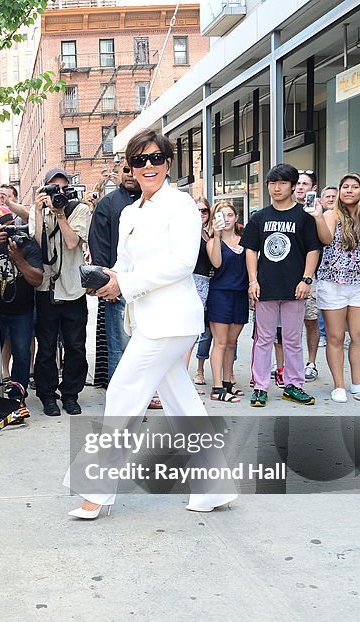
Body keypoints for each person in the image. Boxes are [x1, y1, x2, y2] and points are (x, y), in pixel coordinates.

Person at [64, 128, 234, 518]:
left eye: (155, 158)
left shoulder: (181, 206)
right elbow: (126, 264)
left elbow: (181, 263)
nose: (148, 166)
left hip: (172, 319)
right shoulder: (128, 212)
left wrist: (127, 283)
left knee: (123, 391)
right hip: (147, 317)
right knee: (183, 402)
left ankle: (97, 492)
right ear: (130, 167)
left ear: (168, 162)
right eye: (139, 160)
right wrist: (110, 281)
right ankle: (213, 487)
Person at [242, 164, 322, 408]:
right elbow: (251, 250)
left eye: (282, 183)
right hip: (265, 287)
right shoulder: (259, 217)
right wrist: (253, 280)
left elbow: (313, 249)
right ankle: (259, 386)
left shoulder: (304, 217)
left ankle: (294, 385)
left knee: (292, 339)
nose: (276, 188)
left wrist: (307, 279)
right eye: (272, 183)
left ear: (293, 186)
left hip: (295, 287)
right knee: (263, 339)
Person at [309, 173, 360, 403]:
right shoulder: (332, 214)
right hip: (333, 282)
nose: (349, 190)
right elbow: (326, 239)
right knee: (336, 336)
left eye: (354, 187)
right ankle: (339, 385)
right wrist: (319, 218)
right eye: (345, 187)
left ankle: (357, 381)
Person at [32, 168, 92, 417]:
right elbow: (36, 246)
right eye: (52, 188)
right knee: (46, 348)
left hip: (73, 288)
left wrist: (59, 215)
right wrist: (37, 212)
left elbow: (70, 242)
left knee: (75, 346)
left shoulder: (80, 209)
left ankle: (70, 394)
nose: (58, 193)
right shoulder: (39, 210)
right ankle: (47, 395)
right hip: (46, 288)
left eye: (62, 188)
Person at [88, 162, 141, 385]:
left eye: (133, 169)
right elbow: (98, 247)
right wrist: (106, 283)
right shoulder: (108, 204)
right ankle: (120, 405)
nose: (129, 174)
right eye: (125, 169)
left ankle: (143, 397)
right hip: (117, 288)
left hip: (148, 289)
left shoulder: (153, 202)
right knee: (119, 347)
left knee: (145, 348)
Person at [0, 206, 43, 389]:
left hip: (22, 310)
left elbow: (37, 279)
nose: (10, 231)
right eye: (4, 228)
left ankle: (18, 396)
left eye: (12, 225)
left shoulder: (26, 244)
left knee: (22, 354)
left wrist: (19, 259)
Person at [206, 200, 247, 403]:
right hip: (220, 294)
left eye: (230, 215)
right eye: (222, 216)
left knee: (232, 342)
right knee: (220, 342)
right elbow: (216, 263)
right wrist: (218, 234)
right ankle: (217, 387)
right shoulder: (213, 242)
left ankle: (228, 381)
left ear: (236, 217)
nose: (227, 219)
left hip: (240, 295)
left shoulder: (245, 239)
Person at [295, 170, 324, 382]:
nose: (300, 187)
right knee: (286, 323)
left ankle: (311, 362)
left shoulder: (317, 212)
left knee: (310, 319)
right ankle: (284, 364)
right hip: (285, 274)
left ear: (313, 188)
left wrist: (319, 215)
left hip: (310, 274)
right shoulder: (284, 207)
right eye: (297, 183)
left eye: (305, 184)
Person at [188, 196, 214, 391]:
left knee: (205, 331)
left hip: (208, 284)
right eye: (196, 210)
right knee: (189, 333)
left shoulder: (209, 234)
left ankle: (200, 369)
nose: (200, 214)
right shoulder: (186, 233)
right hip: (191, 284)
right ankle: (183, 373)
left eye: (204, 211)